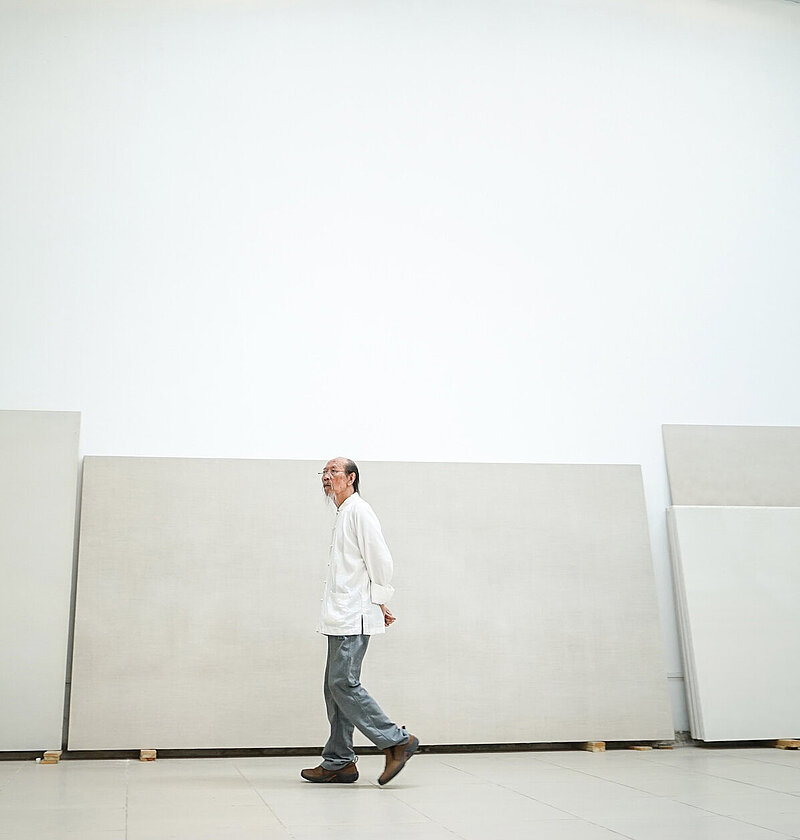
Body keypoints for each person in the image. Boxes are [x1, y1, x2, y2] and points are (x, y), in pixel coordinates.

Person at [301, 457, 418, 786]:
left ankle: (397, 741)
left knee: (343, 684)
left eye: (334, 472)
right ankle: (339, 761)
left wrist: (381, 598)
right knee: (333, 688)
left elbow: (380, 559)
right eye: (323, 473)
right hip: (341, 616)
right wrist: (378, 599)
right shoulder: (344, 513)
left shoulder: (358, 511)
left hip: (352, 616)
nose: (326, 477)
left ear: (351, 478)